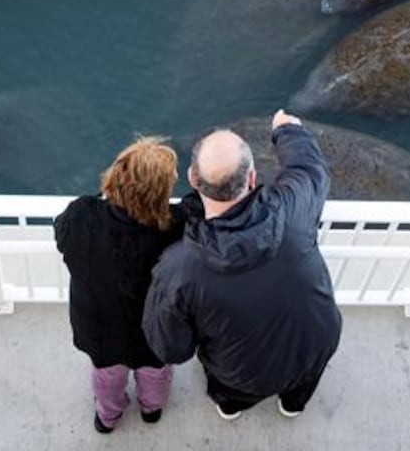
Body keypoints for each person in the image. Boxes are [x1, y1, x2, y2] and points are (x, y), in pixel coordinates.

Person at [143, 109, 342, 421]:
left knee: (234, 393)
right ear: (252, 178)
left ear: (193, 179)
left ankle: (231, 407)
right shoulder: (293, 207)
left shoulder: (178, 268)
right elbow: (310, 168)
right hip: (316, 343)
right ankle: (292, 405)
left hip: (243, 371)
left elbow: (171, 349)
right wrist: (287, 130)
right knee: (302, 382)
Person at [54, 136, 184, 434]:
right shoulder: (178, 227)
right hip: (155, 330)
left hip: (100, 327)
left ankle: (107, 418)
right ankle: (151, 409)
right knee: (155, 372)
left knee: (108, 376)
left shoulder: (82, 216)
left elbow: (62, 238)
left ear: (115, 176)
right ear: (162, 191)